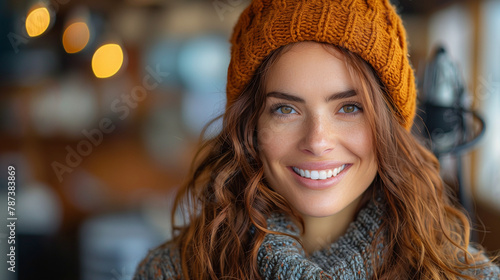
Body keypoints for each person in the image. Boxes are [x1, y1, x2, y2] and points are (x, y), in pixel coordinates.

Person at [133, 0, 500, 279]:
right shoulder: (173, 271)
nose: (318, 141)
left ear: (389, 127)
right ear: (251, 127)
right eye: (285, 110)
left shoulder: (461, 274)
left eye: (350, 108)